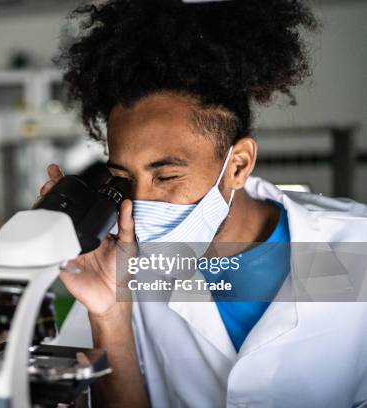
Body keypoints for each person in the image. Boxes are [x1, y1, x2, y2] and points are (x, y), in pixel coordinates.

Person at [45, 1, 367, 407]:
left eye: (166, 176)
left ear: (238, 165)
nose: (141, 202)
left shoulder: (358, 248)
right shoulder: (125, 266)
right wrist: (109, 314)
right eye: (126, 179)